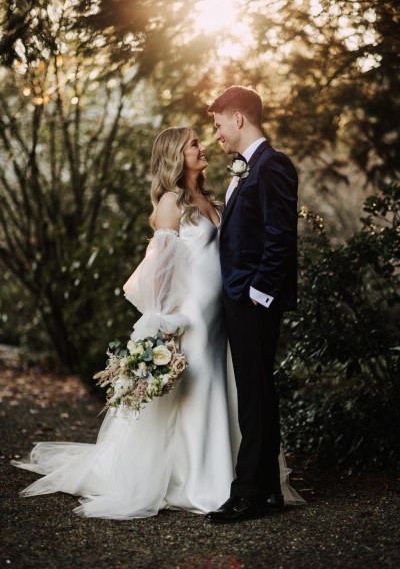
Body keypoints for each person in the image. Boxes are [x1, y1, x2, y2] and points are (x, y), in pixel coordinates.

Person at [12, 126, 302, 520]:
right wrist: (165, 322)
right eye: (194, 145)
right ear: (176, 157)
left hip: (224, 313)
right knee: (200, 387)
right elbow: (160, 270)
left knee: (225, 384)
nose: (203, 148)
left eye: (201, 141)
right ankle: (196, 477)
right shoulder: (171, 203)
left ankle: (237, 474)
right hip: (194, 316)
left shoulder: (211, 199)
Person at [205, 86, 299, 523]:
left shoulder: (272, 165)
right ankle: (265, 492)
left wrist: (256, 295)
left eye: (219, 122)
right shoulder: (246, 168)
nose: (217, 133)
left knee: (255, 396)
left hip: (253, 301)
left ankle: (246, 496)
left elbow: (280, 237)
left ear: (238, 118)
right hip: (242, 299)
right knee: (257, 394)